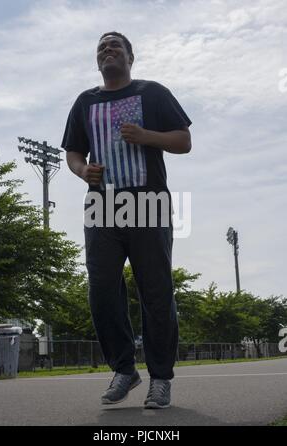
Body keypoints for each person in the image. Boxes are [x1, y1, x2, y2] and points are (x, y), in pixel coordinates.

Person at [61, 31, 192, 409]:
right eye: (101, 47)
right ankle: (124, 369)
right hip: (101, 206)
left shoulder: (153, 92)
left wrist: (147, 135)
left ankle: (161, 378)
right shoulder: (86, 101)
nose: (107, 50)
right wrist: (83, 170)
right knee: (101, 290)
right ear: (97, 60)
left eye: (115, 45)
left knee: (155, 291)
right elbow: (73, 152)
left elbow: (184, 141)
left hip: (148, 201)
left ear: (130, 56)